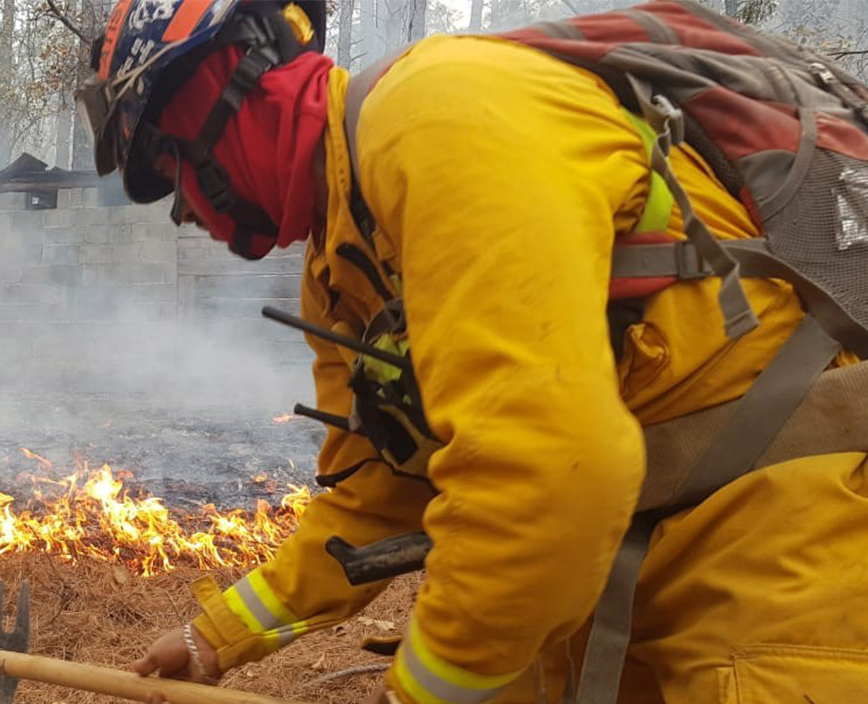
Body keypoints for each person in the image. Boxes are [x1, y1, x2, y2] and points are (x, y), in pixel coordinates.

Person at [76, 1, 868, 702]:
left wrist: (420, 693)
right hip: (622, 573)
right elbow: (376, 497)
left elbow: (548, 473)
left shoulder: (441, 116)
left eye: (165, 162)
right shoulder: (344, 260)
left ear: (228, 84)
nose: (180, 207)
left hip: (773, 564)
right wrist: (213, 640)